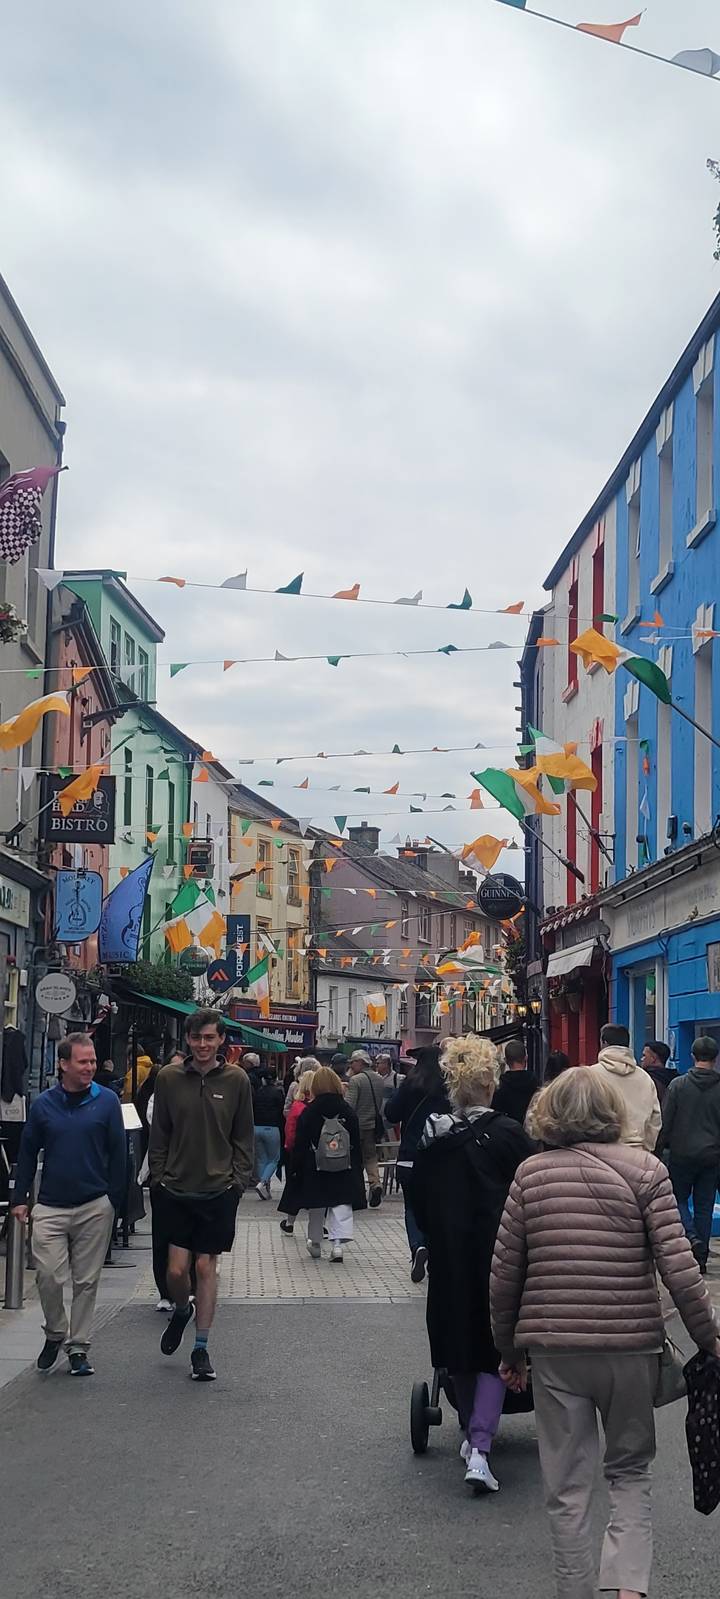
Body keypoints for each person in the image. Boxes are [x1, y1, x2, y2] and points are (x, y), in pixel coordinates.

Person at [490, 1067, 720, 1599]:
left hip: (553, 1350)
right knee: (630, 1472)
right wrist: (708, 1337)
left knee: (567, 1487)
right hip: (630, 1346)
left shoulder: (530, 1176)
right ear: (613, 1111)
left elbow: (505, 1276)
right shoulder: (647, 1172)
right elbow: (680, 1268)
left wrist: (509, 1349)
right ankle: (629, 1591)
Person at [411, 1036, 534, 1492]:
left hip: (448, 1256)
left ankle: (470, 1431)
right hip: (500, 1255)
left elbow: (418, 1203)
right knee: (496, 1346)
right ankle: (480, 1445)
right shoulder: (508, 1135)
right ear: (490, 1083)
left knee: (458, 1345)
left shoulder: (430, 1137)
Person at [11, 1032, 126, 1377]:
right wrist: (20, 1200)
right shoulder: (44, 1104)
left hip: (94, 1204)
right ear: (63, 1064)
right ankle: (55, 1331)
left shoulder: (106, 1101)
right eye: (83, 1061)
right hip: (51, 1205)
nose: (90, 1067)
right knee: (47, 1274)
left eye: (92, 1061)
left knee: (87, 1281)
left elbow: (119, 1153)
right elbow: (28, 1151)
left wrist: (113, 1202)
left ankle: (78, 1346)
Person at [149, 1010, 254, 1381]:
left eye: (210, 1038)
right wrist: (158, 1178)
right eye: (197, 1038)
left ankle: (201, 1349)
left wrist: (237, 1182)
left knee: (206, 1267)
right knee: (177, 1271)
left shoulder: (237, 1079)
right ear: (188, 1040)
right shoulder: (168, 1078)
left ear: (221, 1040)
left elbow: (244, 1135)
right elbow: (159, 1132)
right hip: (176, 1188)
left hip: (218, 1190)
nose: (203, 1045)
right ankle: (181, 1308)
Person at [386, 1046, 449, 1282]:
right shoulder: (448, 1087)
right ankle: (434, 1253)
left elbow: (391, 1113)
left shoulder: (410, 1085)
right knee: (437, 1207)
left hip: (410, 1156)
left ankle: (418, 1245)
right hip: (440, 1159)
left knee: (411, 1207)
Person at [288, 1065, 363, 1262]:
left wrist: (296, 1168)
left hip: (316, 1165)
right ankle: (338, 1245)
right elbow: (356, 1141)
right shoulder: (347, 1110)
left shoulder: (310, 1112)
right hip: (343, 1165)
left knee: (317, 1204)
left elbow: (300, 1143)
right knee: (341, 1204)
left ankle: (315, 1242)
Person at [660, 1035, 720, 1274]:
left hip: (681, 1154)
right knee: (705, 1206)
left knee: (679, 1199)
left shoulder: (678, 1085)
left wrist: (659, 1150)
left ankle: (690, 1235)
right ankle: (701, 1257)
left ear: (693, 1057)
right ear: (715, 1059)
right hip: (712, 1156)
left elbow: (666, 1122)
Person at [591, 1023, 661, 1151]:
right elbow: (655, 1118)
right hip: (637, 1152)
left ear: (604, 1043)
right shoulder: (644, 1078)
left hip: (601, 1153)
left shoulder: (590, 1076)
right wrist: (647, 1148)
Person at [345, 1049, 385, 1206]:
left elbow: (349, 1105)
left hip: (357, 1126)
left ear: (360, 1062)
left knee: (355, 1159)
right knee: (371, 1157)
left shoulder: (356, 1080)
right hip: (372, 1125)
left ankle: (357, 1190)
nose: (351, 1065)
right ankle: (375, 1184)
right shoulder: (379, 1079)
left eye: (353, 1062)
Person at [278, 1068, 317, 1234]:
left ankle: (290, 1222)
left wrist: (289, 1148)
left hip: (298, 1152)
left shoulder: (297, 1106)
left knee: (294, 1187)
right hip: (316, 1154)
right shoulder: (317, 1106)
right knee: (316, 1189)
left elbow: (290, 1130)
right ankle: (318, 1225)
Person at [245, 1062, 284, 1201]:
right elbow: (281, 1111)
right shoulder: (278, 1093)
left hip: (256, 1128)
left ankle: (264, 1187)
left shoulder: (258, 1092)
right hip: (272, 1128)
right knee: (274, 1158)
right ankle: (263, 1183)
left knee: (261, 1159)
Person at [491, 1038, 539, 1125]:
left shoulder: (499, 1086)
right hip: (531, 1133)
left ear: (506, 1061)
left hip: (506, 1134)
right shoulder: (536, 1084)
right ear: (526, 1058)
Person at [640, 1038, 678, 1108]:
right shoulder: (676, 1079)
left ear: (653, 1059)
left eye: (644, 1055)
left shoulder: (646, 1079)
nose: (641, 1059)